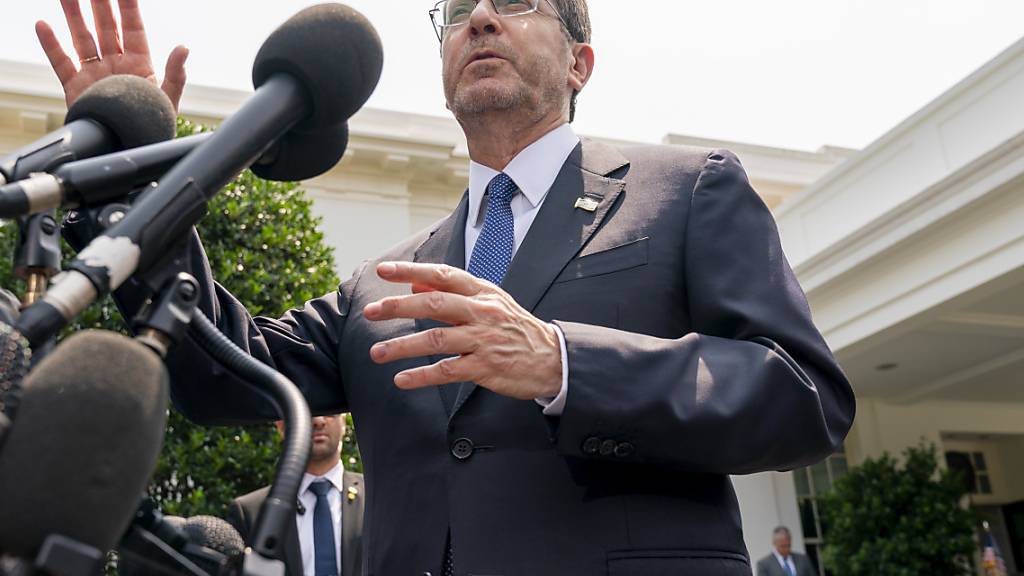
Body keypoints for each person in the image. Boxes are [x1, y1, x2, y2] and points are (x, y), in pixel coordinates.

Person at [37, 1, 857, 574]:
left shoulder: (686, 192)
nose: (481, 19)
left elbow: (804, 397)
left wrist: (564, 363)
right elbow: (220, 368)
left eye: (516, 1)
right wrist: (127, 187)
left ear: (581, 61)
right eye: (459, 7)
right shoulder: (386, 282)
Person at [227, 414, 364, 576]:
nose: (319, 421)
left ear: (344, 421)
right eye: (308, 411)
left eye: (330, 412)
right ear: (280, 424)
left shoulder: (378, 499)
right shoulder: (252, 512)